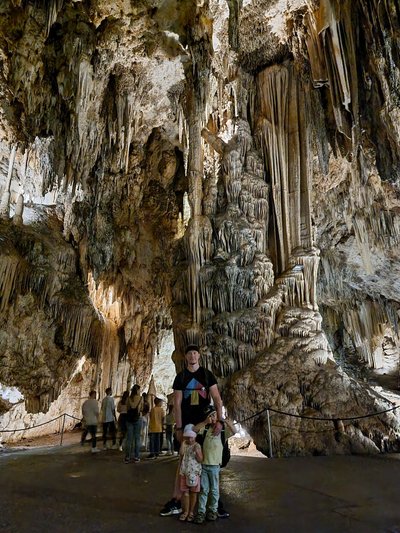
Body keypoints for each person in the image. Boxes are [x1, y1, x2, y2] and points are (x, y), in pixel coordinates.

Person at [159, 344, 225, 517]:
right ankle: (177, 501)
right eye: (189, 354)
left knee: (210, 462)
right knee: (184, 461)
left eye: (195, 353)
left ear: (199, 356)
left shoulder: (206, 375)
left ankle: (214, 501)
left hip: (207, 423)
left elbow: (217, 399)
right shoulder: (181, 378)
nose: (192, 356)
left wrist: (221, 421)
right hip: (188, 425)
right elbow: (178, 404)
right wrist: (179, 427)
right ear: (186, 357)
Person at [193, 405, 236, 523]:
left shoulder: (222, 432)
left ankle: (213, 510)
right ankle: (201, 512)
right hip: (204, 465)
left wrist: (224, 421)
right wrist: (205, 422)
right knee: (204, 490)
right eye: (209, 416)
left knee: (214, 490)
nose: (212, 417)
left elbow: (234, 431)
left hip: (215, 466)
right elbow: (194, 430)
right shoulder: (205, 429)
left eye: (213, 415)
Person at [178, 424, 203, 522]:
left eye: (191, 437)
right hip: (184, 472)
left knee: (193, 493)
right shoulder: (185, 445)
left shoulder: (197, 446)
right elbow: (181, 454)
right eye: (188, 437)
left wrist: (197, 452)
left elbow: (201, 459)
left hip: (194, 474)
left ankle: (191, 512)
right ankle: (186, 511)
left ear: (195, 437)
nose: (190, 439)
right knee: (185, 492)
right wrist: (182, 445)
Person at [125, 384, 143, 463]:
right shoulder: (140, 398)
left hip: (129, 419)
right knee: (137, 438)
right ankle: (136, 456)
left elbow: (127, 408)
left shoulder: (128, 398)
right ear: (138, 390)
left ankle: (127, 457)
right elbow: (141, 408)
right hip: (137, 419)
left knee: (129, 439)